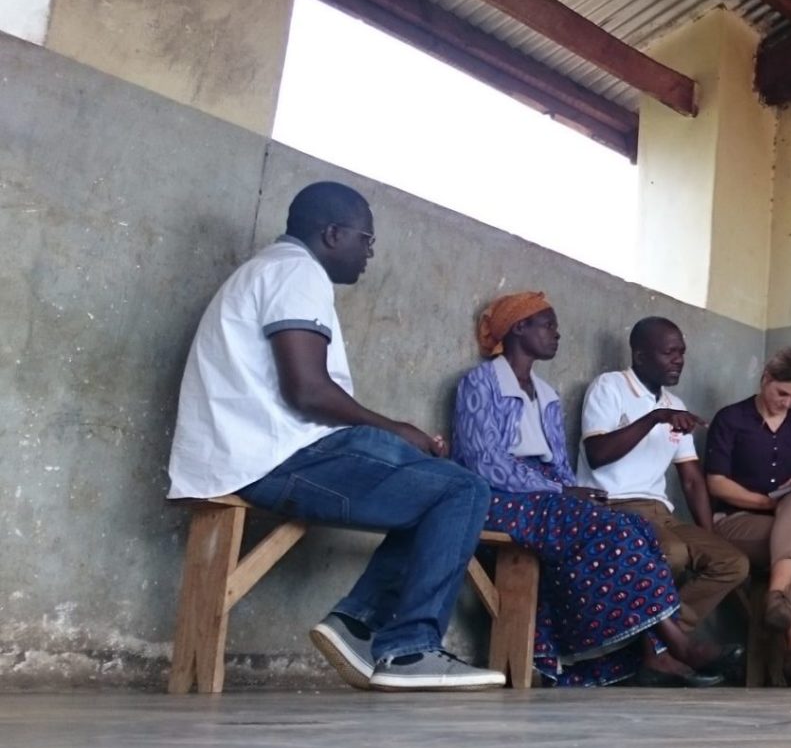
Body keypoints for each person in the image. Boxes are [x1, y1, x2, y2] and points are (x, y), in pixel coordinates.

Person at [166, 182, 502, 692]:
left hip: (246, 452)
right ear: (331, 233)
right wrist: (396, 428)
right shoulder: (298, 272)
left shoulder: (269, 268)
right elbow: (307, 391)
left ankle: (357, 625)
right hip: (274, 456)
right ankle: (409, 648)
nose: (370, 253)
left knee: (439, 484)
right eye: (366, 239)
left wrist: (400, 441)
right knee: (464, 489)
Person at [450, 292, 730, 687]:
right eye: (548, 325)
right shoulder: (480, 383)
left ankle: (653, 654)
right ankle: (675, 644)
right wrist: (559, 490)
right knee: (611, 529)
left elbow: (559, 464)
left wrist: (568, 489)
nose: (557, 333)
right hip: (497, 497)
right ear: (519, 328)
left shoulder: (546, 394)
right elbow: (484, 463)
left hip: (545, 499)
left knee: (638, 529)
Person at [576, 317, 749, 637]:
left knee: (732, 563)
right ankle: (662, 641)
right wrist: (655, 418)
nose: (679, 360)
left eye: (681, 352)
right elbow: (597, 455)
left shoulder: (675, 404)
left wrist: (709, 536)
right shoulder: (609, 386)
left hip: (661, 513)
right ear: (640, 356)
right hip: (613, 506)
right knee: (673, 553)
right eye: (669, 353)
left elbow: (692, 480)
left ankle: (662, 637)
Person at [704, 348, 791, 687]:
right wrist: (767, 502)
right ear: (765, 380)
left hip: (784, 526)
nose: (787, 403)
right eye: (782, 393)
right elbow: (716, 482)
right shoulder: (731, 419)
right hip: (735, 522)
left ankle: (776, 595)